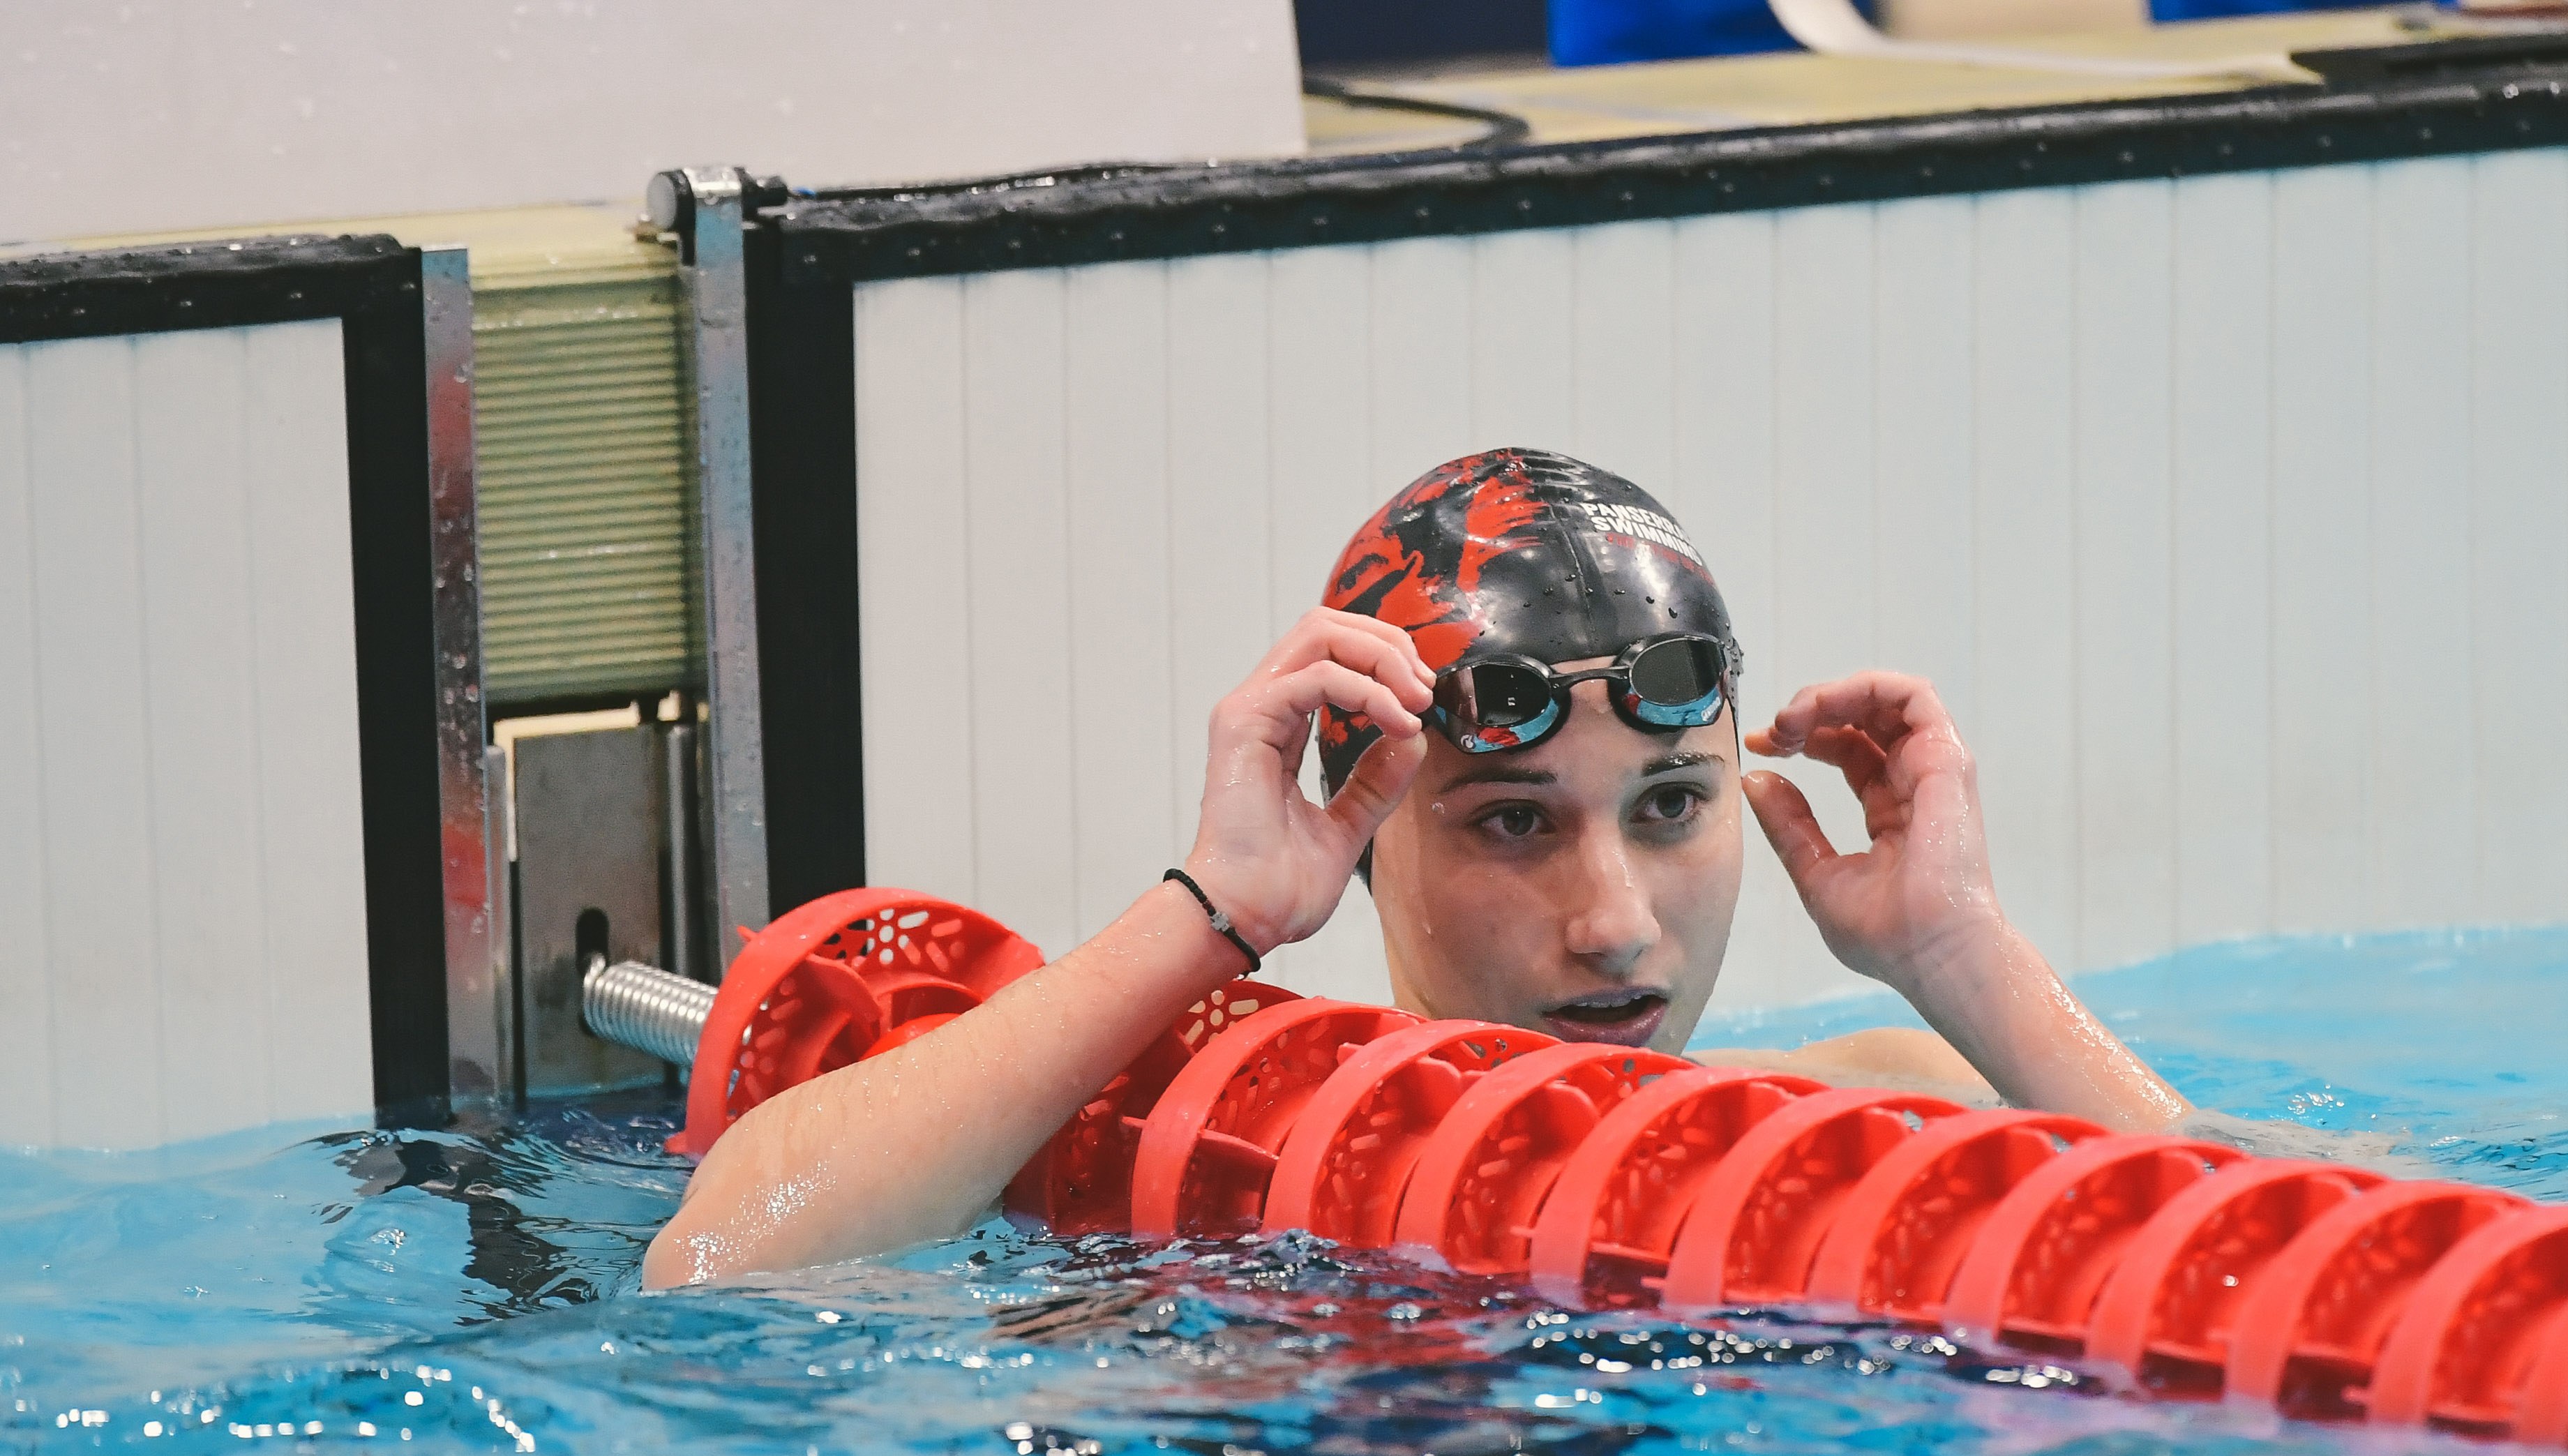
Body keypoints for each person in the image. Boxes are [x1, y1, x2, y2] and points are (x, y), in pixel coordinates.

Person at [643, 449, 2188, 1290]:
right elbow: (717, 1263)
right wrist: (1211, 913)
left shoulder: (1882, 1100)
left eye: (1670, 806)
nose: (1615, 924)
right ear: (1368, 830)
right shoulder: (1215, 1155)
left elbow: (2273, 1239)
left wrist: (1960, 954)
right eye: (1515, 821)